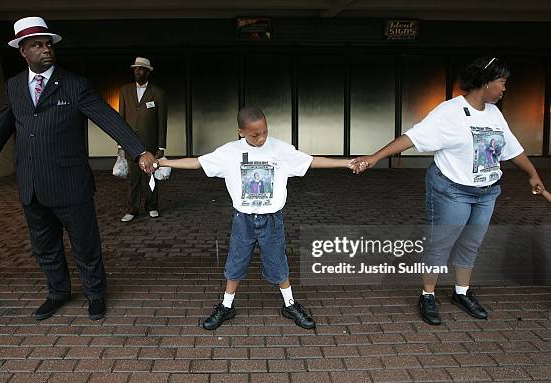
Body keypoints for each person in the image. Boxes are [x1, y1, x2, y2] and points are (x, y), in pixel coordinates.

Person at [0, 17, 155, 321]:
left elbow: (109, 119)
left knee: (85, 245)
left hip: (70, 183)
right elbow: (0, 125)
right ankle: (58, 292)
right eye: (37, 45)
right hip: (31, 184)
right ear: (23, 52)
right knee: (45, 247)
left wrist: (138, 151)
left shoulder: (75, 84)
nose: (46, 50)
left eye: (48, 44)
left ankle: (95, 294)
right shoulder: (14, 86)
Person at [351, 57, 546, 326]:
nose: (504, 88)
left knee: (471, 242)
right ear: (486, 82)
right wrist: (375, 157)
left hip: (486, 192)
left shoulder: (494, 113)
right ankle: (427, 295)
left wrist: (533, 174)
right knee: (441, 243)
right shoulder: (449, 112)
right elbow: (412, 137)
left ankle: (461, 293)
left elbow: (512, 149)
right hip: (452, 189)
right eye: (502, 82)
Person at [157, 107, 356, 330]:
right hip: (243, 220)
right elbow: (197, 163)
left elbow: (310, 161)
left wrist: (347, 162)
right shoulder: (229, 152)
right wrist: (163, 163)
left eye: (264, 132)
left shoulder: (279, 149)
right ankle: (226, 306)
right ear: (241, 132)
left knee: (278, 262)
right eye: (254, 135)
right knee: (236, 262)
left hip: (271, 219)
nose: (261, 138)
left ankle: (289, 304)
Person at [119, 57, 168, 222]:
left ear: (148, 72)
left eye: (140, 69)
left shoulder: (158, 93)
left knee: (150, 177)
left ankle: (152, 206)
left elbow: (162, 121)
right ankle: (132, 209)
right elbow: (121, 118)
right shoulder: (124, 91)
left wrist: (161, 146)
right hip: (130, 143)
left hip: (151, 143)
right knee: (133, 179)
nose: (137, 72)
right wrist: (121, 143)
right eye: (135, 69)